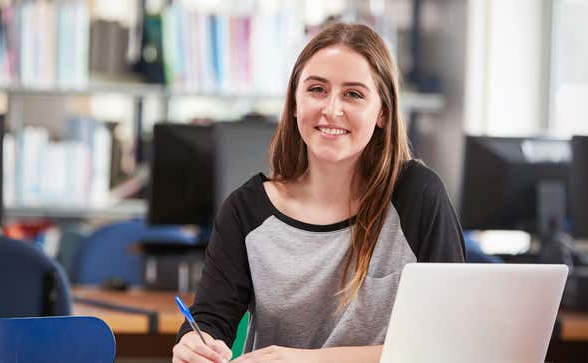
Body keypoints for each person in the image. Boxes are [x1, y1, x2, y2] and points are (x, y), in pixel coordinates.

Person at [172, 22, 466, 363]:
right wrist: (196, 344)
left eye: (353, 94)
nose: (331, 109)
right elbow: (210, 321)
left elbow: (451, 342)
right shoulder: (246, 210)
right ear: (295, 103)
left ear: (383, 112)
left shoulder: (417, 195)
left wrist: (304, 360)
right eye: (317, 90)